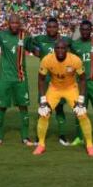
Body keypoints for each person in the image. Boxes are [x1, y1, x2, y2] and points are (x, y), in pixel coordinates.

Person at [33, 40, 93, 157]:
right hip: (54, 89)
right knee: (44, 113)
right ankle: (41, 145)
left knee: (82, 113)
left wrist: (81, 99)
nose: (60, 51)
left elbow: (82, 79)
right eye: (58, 48)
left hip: (71, 88)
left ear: (67, 49)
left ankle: (89, 145)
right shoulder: (47, 59)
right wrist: (43, 100)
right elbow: (41, 80)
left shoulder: (75, 60)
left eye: (63, 48)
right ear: (54, 49)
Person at [0, 14, 35, 146]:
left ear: (20, 24)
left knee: (23, 107)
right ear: (8, 23)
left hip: (21, 79)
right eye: (12, 23)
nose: (14, 25)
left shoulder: (25, 36)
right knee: (1, 107)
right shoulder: (1, 35)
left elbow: (35, 50)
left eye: (17, 23)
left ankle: (25, 137)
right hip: (5, 79)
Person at [30, 18, 70, 146]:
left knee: (59, 108)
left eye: (54, 27)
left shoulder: (64, 41)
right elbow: (27, 42)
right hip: (44, 80)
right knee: (42, 108)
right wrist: (36, 52)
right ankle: (39, 137)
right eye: (49, 27)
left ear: (58, 28)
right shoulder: (40, 39)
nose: (51, 29)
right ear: (46, 28)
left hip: (59, 81)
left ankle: (62, 136)